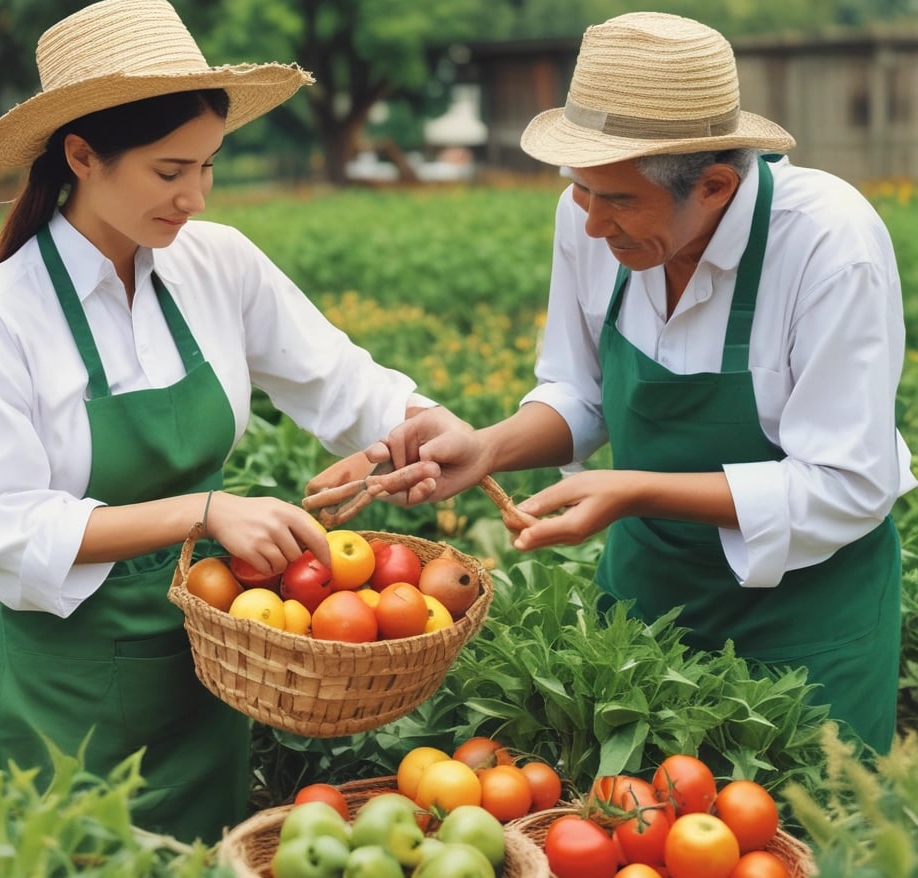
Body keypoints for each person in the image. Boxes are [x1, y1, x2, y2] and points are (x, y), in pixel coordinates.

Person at [326, 11, 917, 753]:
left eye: (619, 201)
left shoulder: (828, 245)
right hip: (647, 609)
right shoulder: (590, 218)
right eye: (581, 190)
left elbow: (846, 483)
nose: (593, 223)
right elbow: (579, 392)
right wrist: (484, 447)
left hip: (804, 625)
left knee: (796, 844)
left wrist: (632, 489)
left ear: (714, 184)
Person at [0, 0, 449, 843]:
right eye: (171, 170)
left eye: (210, 166)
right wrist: (206, 512)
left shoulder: (217, 265)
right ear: (82, 156)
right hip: (59, 696)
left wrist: (431, 428)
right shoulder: (2, 315)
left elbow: (343, 381)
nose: (196, 197)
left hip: (207, 669)